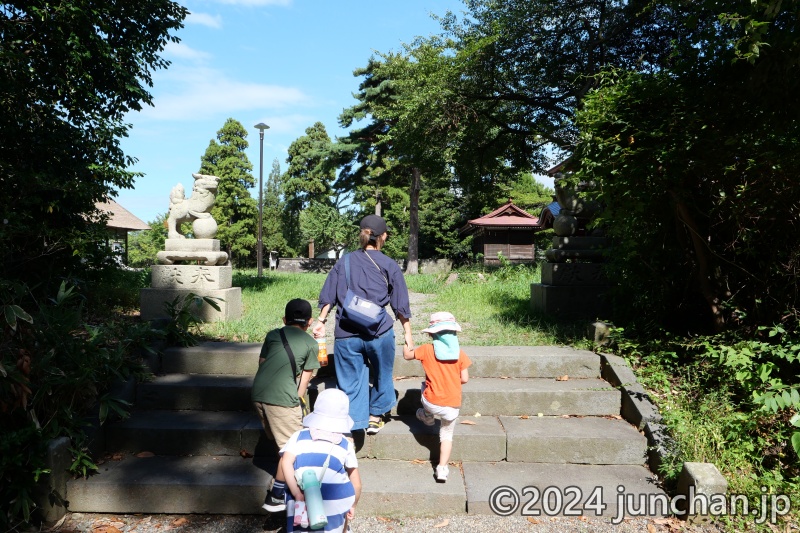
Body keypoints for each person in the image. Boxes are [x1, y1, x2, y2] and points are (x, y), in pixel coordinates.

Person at [313, 214, 413, 434]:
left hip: (346, 332)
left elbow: (328, 295)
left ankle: (353, 423)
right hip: (379, 332)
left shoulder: (345, 261)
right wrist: (408, 335)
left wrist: (321, 321)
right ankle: (375, 415)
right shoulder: (389, 264)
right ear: (382, 236)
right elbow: (400, 304)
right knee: (382, 373)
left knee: (349, 380)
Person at [252, 298, 320, 512]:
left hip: (258, 393)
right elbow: (304, 382)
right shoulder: (311, 343)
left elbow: (263, 363)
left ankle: (284, 479)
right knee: (293, 448)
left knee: (282, 443)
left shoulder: (273, 335)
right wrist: (297, 402)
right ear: (309, 322)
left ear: (284, 319)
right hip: (281, 399)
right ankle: (278, 494)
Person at [402, 311, 471, 482]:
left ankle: (426, 415)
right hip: (453, 405)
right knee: (446, 435)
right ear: (454, 333)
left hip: (432, 402)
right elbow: (464, 379)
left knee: (424, 387)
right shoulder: (460, 354)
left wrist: (407, 340)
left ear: (432, 333)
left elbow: (407, 355)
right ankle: (442, 469)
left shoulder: (426, 349)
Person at [281, 388, 362, 533]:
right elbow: (356, 484)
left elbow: (285, 463)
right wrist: (353, 505)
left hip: (301, 498)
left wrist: (296, 492)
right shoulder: (345, 444)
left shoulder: (298, 436)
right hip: (335, 501)